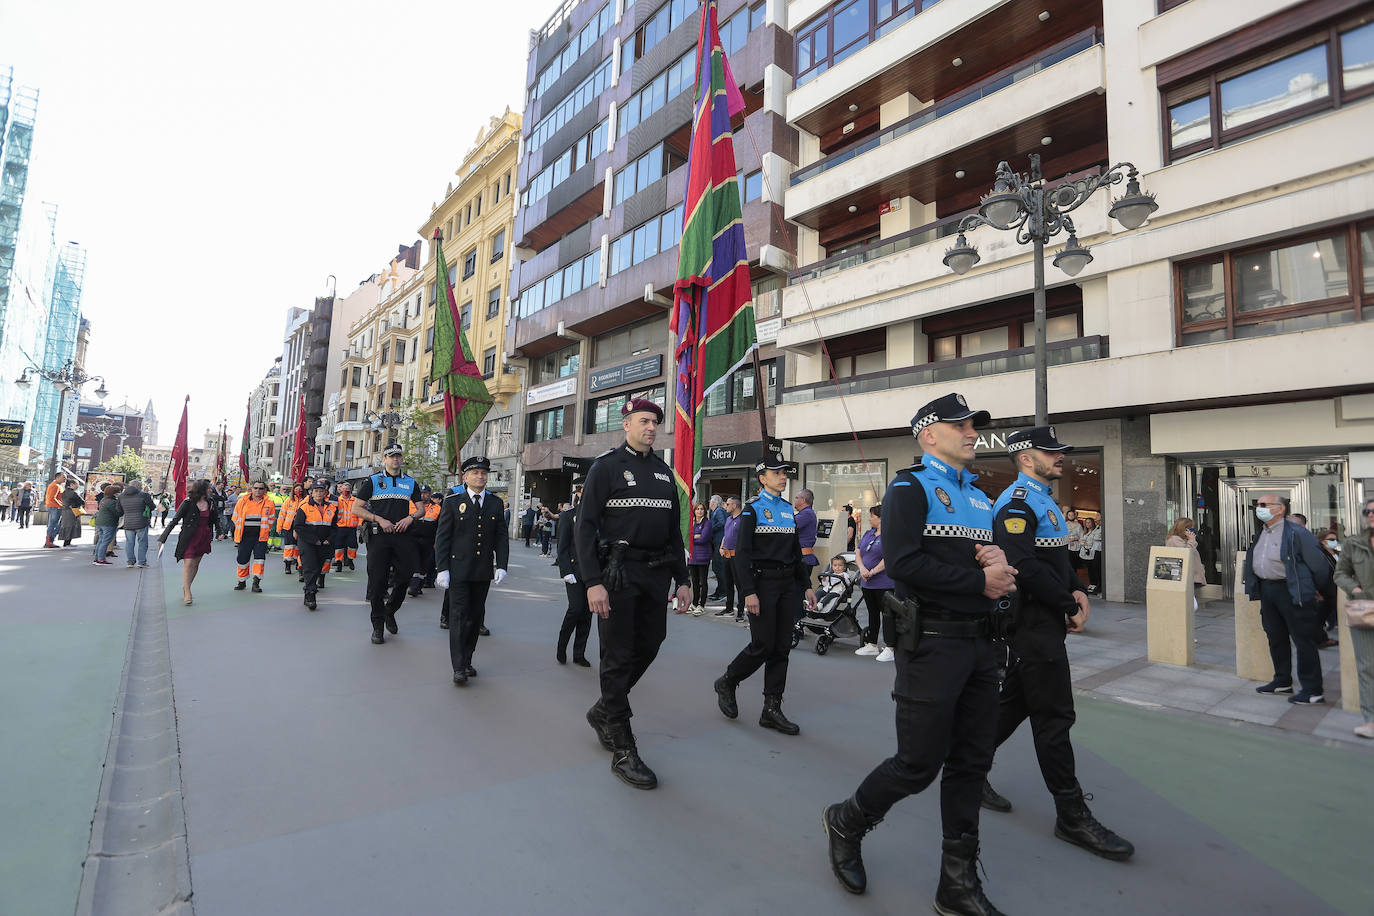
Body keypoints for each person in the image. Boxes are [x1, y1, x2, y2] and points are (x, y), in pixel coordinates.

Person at [822, 392, 1017, 912]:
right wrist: (980, 580)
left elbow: (982, 560)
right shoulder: (909, 487)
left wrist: (996, 560)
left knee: (972, 763)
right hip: (931, 644)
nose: (973, 433)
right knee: (918, 763)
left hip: (981, 644)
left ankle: (956, 884)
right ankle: (846, 820)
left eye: (974, 426)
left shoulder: (978, 495)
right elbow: (904, 565)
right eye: (962, 426)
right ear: (929, 434)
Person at [982, 426, 1134, 862]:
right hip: (1030, 623)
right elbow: (1023, 565)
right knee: (1054, 717)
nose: (1060, 456)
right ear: (1026, 458)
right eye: (1051, 451)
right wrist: (1068, 603)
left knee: (1016, 703)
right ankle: (1071, 815)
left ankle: (967, 767)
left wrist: (1076, 589)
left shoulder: (1044, 499)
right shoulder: (1016, 502)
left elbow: (1054, 557)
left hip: (1043, 621)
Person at [574, 398, 691, 790]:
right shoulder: (605, 468)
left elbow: (675, 532)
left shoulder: (662, 472)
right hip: (617, 575)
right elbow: (585, 528)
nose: (652, 427)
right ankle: (624, 748)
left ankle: (604, 709)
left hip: (655, 575)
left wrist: (684, 579)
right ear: (625, 424)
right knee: (617, 655)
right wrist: (592, 582)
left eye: (655, 422)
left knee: (651, 643)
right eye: (644, 421)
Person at [714, 454, 817, 736]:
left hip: (788, 586)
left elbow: (796, 553)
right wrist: (748, 591)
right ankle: (728, 681)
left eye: (784, 472)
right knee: (762, 644)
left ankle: (771, 709)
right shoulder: (752, 510)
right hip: (762, 585)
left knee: (782, 647)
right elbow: (742, 555)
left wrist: (806, 584)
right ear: (762, 478)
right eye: (777, 473)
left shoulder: (787, 510)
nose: (783, 476)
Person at [1243, 493, 1331, 704]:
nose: (1259, 508)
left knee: (1303, 640)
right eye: (1258, 505)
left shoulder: (1297, 533)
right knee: (1275, 637)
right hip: (1268, 590)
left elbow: (1319, 566)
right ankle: (1282, 681)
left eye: (1264, 504)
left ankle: (1312, 690)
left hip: (1292, 591)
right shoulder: (1262, 532)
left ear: (1280, 508)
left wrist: (1313, 588)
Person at [434, 456, 509, 684]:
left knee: (475, 618)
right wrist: (442, 568)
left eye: (484, 473)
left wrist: (502, 565)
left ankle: (467, 659)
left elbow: (501, 537)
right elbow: (443, 537)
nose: (480, 476)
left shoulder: (495, 503)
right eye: (475, 473)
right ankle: (458, 666)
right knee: (458, 616)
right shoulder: (453, 501)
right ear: (465, 477)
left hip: (482, 570)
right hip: (458, 569)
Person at [354, 444, 423, 645]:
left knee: (404, 578)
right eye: (391, 456)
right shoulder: (373, 481)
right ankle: (377, 625)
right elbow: (356, 509)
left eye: (398, 456)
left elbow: (421, 510)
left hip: (403, 536)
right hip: (379, 537)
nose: (395, 459)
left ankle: (390, 611)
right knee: (377, 582)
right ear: (384, 459)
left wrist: (410, 518)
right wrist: (378, 519)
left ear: (401, 459)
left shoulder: (410, 482)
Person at [1333, 497, 1374, 738]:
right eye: (1368, 511)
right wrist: (1356, 590)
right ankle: (1370, 720)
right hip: (1364, 611)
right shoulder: (1353, 544)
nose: (1371, 514)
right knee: (1367, 667)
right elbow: (1340, 573)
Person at [158, 479, 216, 606]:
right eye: (208, 488)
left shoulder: (210, 502)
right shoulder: (188, 503)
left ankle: (186, 586)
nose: (210, 490)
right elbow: (174, 520)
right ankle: (188, 592)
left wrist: (220, 531)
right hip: (189, 537)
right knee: (189, 562)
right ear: (201, 489)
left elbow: (214, 519)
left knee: (195, 564)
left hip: (204, 536)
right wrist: (163, 538)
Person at [555, 490, 594, 666]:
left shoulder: (598, 514)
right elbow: (562, 546)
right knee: (576, 609)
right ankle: (561, 646)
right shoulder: (569, 515)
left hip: (593, 572)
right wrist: (565, 570)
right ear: (578, 493)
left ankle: (579, 653)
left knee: (587, 613)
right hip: (574, 570)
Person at [855, 505, 896, 661]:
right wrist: (862, 568)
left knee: (888, 615)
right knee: (872, 613)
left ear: (880, 518)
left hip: (884, 582)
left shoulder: (890, 535)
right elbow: (858, 552)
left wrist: (872, 572)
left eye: (871, 516)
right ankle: (872, 645)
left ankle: (890, 647)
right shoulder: (868, 533)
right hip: (867, 582)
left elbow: (889, 558)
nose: (869, 518)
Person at [293, 478, 338, 611]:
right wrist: (314, 540)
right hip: (308, 543)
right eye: (316, 491)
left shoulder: (332, 508)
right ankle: (310, 595)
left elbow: (335, 527)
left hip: (325, 543)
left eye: (321, 491)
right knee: (310, 567)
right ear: (311, 492)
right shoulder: (304, 507)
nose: (319, 493)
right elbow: (299, 527)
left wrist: (329, 539)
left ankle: (309, 590)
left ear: (326, 493)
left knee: (318, 568)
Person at [230, 480, 276, 592]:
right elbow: (235, 517)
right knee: (242, 559)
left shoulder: (269, 503)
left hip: (260, 537)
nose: (258, 490)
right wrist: (240, 528)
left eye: (261, 488)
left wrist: (265, 530)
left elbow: (271, 519)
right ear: (252, 489)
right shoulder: (242, 501)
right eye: (256, 488)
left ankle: (256, 582)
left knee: (259, 559)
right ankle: (242, 581)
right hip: (244, 536)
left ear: (265, 490)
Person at [713, 497, 745, 622]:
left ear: (735, 506)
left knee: (740, 585)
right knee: (728, 583)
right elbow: (726, 535)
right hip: (725, 555)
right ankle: (729, 608)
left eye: (727, 504)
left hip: (737, 557)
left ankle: (741, 611)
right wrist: (721, 546)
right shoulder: (728, 519)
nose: (725, 506)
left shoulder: (743, 520)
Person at [407, 486, 441, 597]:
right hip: (413, 538)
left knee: (424, 563)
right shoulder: (411, 504)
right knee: (415, 561)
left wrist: (437, 541)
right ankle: (413, 586)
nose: (423, 495)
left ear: (429, 494)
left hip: (428, 539)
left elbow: (439, 526)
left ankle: (419, 586)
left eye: (425, 493)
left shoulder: (436, 507)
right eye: (421, 493)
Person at [116, 479, 156, 568]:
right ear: (138, 486)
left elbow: (119, 511)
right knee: (142, 542)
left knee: (129, 542)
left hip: (128, 522)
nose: (141, 488)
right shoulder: (144, 495)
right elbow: (152, 507)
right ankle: (141, 562)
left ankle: (130, 562)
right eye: (141, 486)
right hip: (142, 522)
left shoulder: (121, 496)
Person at [1315, 529, 1341, 646]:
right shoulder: (1320, 554)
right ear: (1322, 541)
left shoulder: (1338, 553)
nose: (1334, 542)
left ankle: (1322, 638)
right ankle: (1320, 639)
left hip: (1338, 588)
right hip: (1326, 589)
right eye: (1331, 540)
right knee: (1320, 617)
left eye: (1335, 539)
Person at [688, 503, 714, 616]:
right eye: (697, 509)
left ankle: (701, 605)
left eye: (702, 509)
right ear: (694, 511)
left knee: (703, 581)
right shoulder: (691, 523)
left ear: (704, 511)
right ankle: (694, 603)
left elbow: (704, 539)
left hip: (703, 556)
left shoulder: (707, 523)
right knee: (694, 581)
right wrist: (695, 536)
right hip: (692, 556)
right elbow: (687, 536)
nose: (699, 511)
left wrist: (694, 537)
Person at [1165, 518, 1207, 586]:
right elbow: (1186, 554)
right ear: (1183, 529)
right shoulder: (1174, 540)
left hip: (1193, 578)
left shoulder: (1184, 540)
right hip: (1188, 579)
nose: (1192, 531)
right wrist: (1191, 540)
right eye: (1190, 529)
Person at [792, 487, 819, 590]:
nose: (794, 500)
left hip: (803, 558)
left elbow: (788, 526)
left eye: (796, 497)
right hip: (801, 556)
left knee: (797, 590)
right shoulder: (805, 513)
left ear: (803, 500)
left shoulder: (807, 514)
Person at [278, 483, 306, 576]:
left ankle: (299, 565)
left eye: (300, 489)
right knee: (289, 547)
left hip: (301, 527)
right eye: (296, 489)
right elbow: (282, 514)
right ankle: (287, 565)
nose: (298, 491)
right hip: (289, 527)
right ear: (293, 490)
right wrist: (279, 526)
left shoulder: (306, 500)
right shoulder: (288, 500)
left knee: (298, 547)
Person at [91, 484, 122, 565]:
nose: (119, 493)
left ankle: (97, 559)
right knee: (105, 542)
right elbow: (117, 513)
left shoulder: (104, 499)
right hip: (108, 523)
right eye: (118, 492)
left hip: (100, 522)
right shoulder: (112, 502)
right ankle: (101, 559)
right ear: (114, 493)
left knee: (100, 541)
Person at [333, 482, 361, 571]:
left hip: (352, 527)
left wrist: (360, 524)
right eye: (344, 489)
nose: (346, 491)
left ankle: (350, 559)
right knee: (338, 546)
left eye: (348, 489)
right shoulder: (337, 500)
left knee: (353, 545)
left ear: (351, 490)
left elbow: (360, 513)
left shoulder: (355, 501)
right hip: (340, 527)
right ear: (341, 490)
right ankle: (338, 563)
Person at [708, 494, 728, 600]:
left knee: (718, 567)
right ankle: (719, 590)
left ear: (714, 503)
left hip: (719, 541)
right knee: (716, 567)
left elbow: (722, 523)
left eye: (710, 501)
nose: (709, 503)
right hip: (717, 541)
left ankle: (723, 591)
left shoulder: (719, 511)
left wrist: (710, 529)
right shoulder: (714, 511)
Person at [1078, 517, 1102, 593]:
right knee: (1089, 569)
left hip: (1092, 553)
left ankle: (1095, 584)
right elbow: (1081, 541)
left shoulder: (1095, 531)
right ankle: (1091, 583)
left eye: (1089, 522)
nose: (1088, 524)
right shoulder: (1085, 532)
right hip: (1084, 554)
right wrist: (1084, 543)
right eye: (1086, 522)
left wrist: (1084, 543)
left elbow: (1091, 543)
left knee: (1094, 569)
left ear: (1092, 523)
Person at [43, 471, 66, 548]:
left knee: (54, 524)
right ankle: (49, 541)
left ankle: (50, 540)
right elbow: (52, 498)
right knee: (53, 524)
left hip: (54, 506)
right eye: (63, 477)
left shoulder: (56, 485)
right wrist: (61, 505)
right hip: (55, 507)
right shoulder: (55, 486)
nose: (65, 479)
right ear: (57, 477)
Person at [58, 479, 84, 546]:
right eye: (77, 484)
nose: (77, 486)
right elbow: (81, 501)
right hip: (72, 511)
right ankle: (67, 543)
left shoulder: (64, 492)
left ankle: (66, 542)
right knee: (71, 526)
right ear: (72, 484)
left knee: (66, 526)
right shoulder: (73, 493)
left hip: (65, 511)